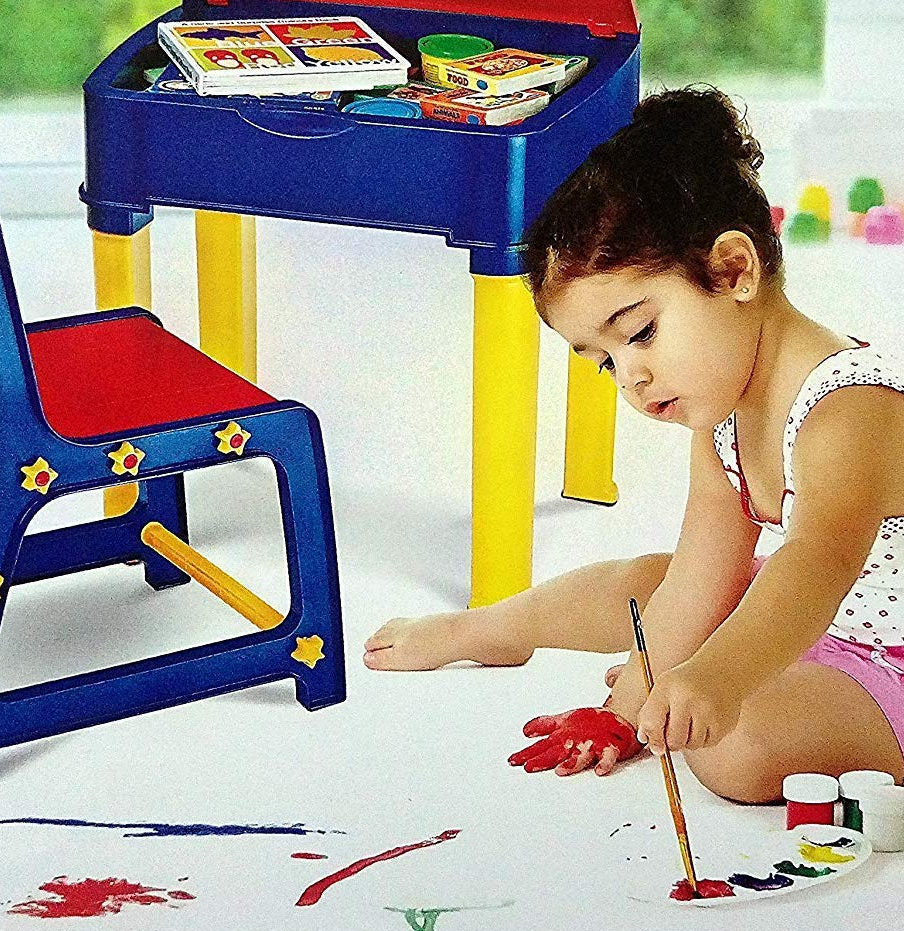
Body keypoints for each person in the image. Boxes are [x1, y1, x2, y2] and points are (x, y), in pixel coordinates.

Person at [364, 86, 904, 802]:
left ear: (732, 270)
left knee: (738, 749)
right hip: (809, 625)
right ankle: (486, 628)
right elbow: (700, 576)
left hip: (884, 653)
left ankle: (748, 685)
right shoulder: (722, 417)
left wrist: (717, 676)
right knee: (649, 584)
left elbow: (818, 564)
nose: (631, 378)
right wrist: (622, 713)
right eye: (603, 360)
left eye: (640, 332)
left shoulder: (850, 407)